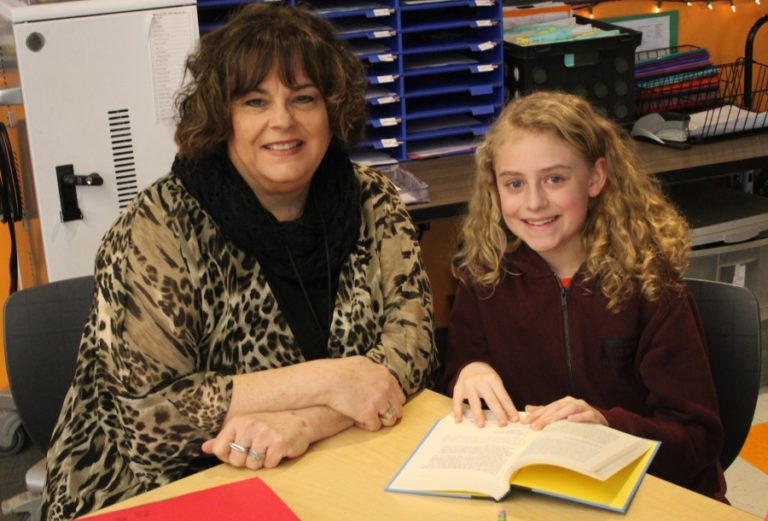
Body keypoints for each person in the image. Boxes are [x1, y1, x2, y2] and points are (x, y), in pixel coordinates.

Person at [42, 4, 437, 519]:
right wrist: (330, 381)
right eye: (255, 101)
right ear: (220, 115)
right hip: (147, 489)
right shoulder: (157, 229)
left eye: (304, 98)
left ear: (332, 110)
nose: (283, 121)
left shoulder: (373, 202)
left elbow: (413, 353)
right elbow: (150, 422)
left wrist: (304, 423)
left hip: (318, 463)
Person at [443, 91, 726, 501]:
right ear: (495, 188)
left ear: (595, 178)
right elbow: (461, 380)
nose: (535, 203)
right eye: (515, 184)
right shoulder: (484, 276)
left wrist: (607, 427)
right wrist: (469, 369)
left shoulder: (650, 284)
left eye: (555, 179)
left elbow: (698, 440)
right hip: (542, 497)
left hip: (654, 494)